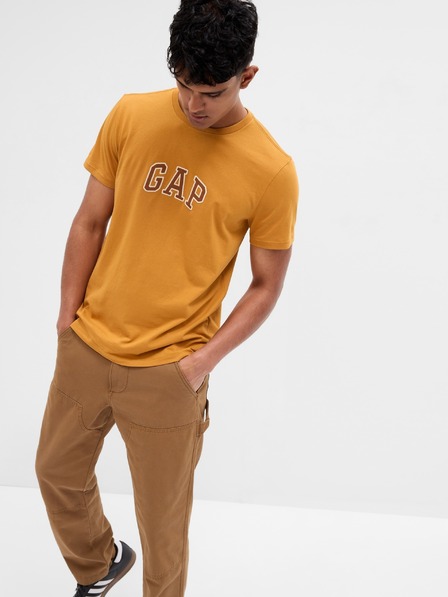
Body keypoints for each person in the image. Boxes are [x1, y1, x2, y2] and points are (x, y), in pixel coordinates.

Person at [35, 0, 299, 595]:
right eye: (183, 85)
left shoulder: (271, 169)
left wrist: (199, 364)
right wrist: (66, 320)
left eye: (211, 92)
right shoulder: (131, 113)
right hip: (88, 343)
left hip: (170, 371)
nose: (193, 104)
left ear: (247, 76)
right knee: (54, 472)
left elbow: (266, 286)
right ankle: (99, 564)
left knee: (163, 529)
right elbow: (89, 221)